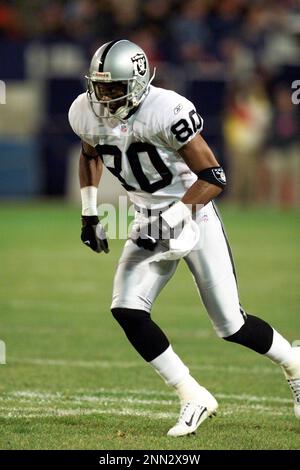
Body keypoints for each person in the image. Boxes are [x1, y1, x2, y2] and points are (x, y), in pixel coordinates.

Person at [68, 39, 300, 437]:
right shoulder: (84, 111)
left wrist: (173, 218)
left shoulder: (167, 110)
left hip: (194, 213)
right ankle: (192, 394)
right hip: (146, 217)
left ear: (139, 83)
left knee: (231, 326)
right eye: (100, 87)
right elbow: (91, 154)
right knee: (126, 309)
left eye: (114, 87)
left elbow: (214, 177)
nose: (104, 98)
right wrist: (90, 212)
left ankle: (295, 365)